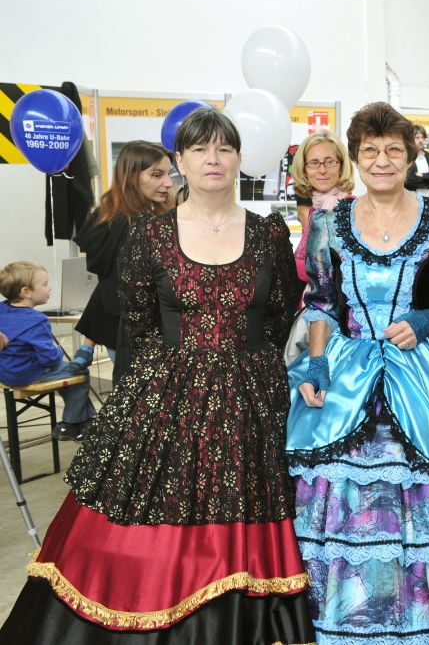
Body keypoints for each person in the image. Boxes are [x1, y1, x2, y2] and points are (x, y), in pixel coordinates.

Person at [0, 107, 315, 644]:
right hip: (166, 392)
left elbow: (280, 313)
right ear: (180, 161)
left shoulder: (267, 235)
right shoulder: (148, 233)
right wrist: (174, 381)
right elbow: (138, 321)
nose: (212, 160)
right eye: (199, 150)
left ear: (241, 159)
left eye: (224, 149)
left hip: (251, 397)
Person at [285, 102, 429, 645]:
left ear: (409, 155)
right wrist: (320, 360)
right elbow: (322, 300)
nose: (382, 161)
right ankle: (347, 626)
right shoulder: (329, 221)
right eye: (370, 151)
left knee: (417, 493)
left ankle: (421, 626)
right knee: (342, 492)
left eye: (393, 150)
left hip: (417, 373)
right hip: (349, 371)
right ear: (357, 157)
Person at [69, 141, 175, 384]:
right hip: (138, 338)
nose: (168, 183)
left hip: (118, 331)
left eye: (169, 174)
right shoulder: (139, 227)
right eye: (157, 175)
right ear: (131, 176)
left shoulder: (107, 218)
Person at [0, 262, 96, 441]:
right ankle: (70, 424)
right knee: (79, 370)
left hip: (4, 371)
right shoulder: (37, 320)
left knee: (69, 374)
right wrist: (58, 352)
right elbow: (50, 360)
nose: (50, 287)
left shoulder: (1, 308)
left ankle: (87, 423)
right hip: (25, 374)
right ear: (26, 292)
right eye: (45, 284)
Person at [291, 130, 357, 283]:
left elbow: (324, 273)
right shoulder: (316, 210)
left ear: (341, 166)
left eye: (329, 162)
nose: (322, 170)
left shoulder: (349, 210)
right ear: (304, 169)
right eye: (314, 163)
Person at [405, 124, 429, 197]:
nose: (420, 140)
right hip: (412, 202)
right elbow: (408, 181)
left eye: (422, 137)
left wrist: (422, 175)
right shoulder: (406, 158)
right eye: (417, 137)